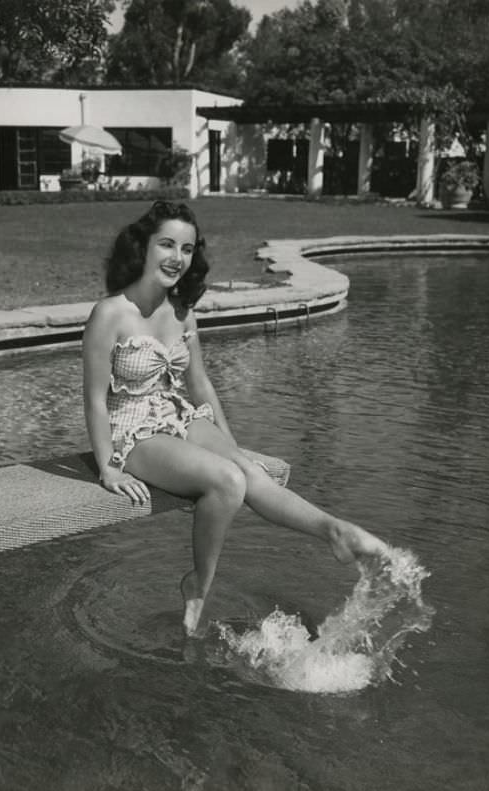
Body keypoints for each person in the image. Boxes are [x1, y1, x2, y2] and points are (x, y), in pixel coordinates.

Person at [83, 200, 389, 636]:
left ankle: (334, 530)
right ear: (144, 246)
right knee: (227, 483)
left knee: (244, 469)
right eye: (167, 244)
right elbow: (94, 399)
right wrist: (108, 466)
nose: (177, 258)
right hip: (131, 432)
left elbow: (201, 385)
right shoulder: (109, 313)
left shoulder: (182, 311)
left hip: (178, 415)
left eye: (186, 249)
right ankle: (199, 585)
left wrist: (232, 443)